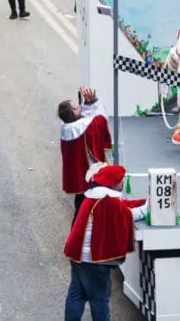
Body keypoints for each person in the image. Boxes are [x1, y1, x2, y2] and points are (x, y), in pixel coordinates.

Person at [63, 164, 147, 321]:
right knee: (99, 299)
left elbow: (122, 207)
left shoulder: (95, 197)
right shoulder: (108, 200)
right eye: (121, 180)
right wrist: (146, 210)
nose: (123, 182)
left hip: (78, 256)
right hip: (93, 261)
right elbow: (126, 215)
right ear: (113, 182)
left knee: (77, 294)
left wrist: (142, 202)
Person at [58, 87, 111, 219]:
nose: (80, 107)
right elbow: (101, 119)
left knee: (80, 208)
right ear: (74, 112)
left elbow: (86, 118)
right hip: (91, 177)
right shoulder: (84, 127)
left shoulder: (66, 127)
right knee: (89, 211)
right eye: (77, 107)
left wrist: (88, 105)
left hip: (79, 177)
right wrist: (94, 102)